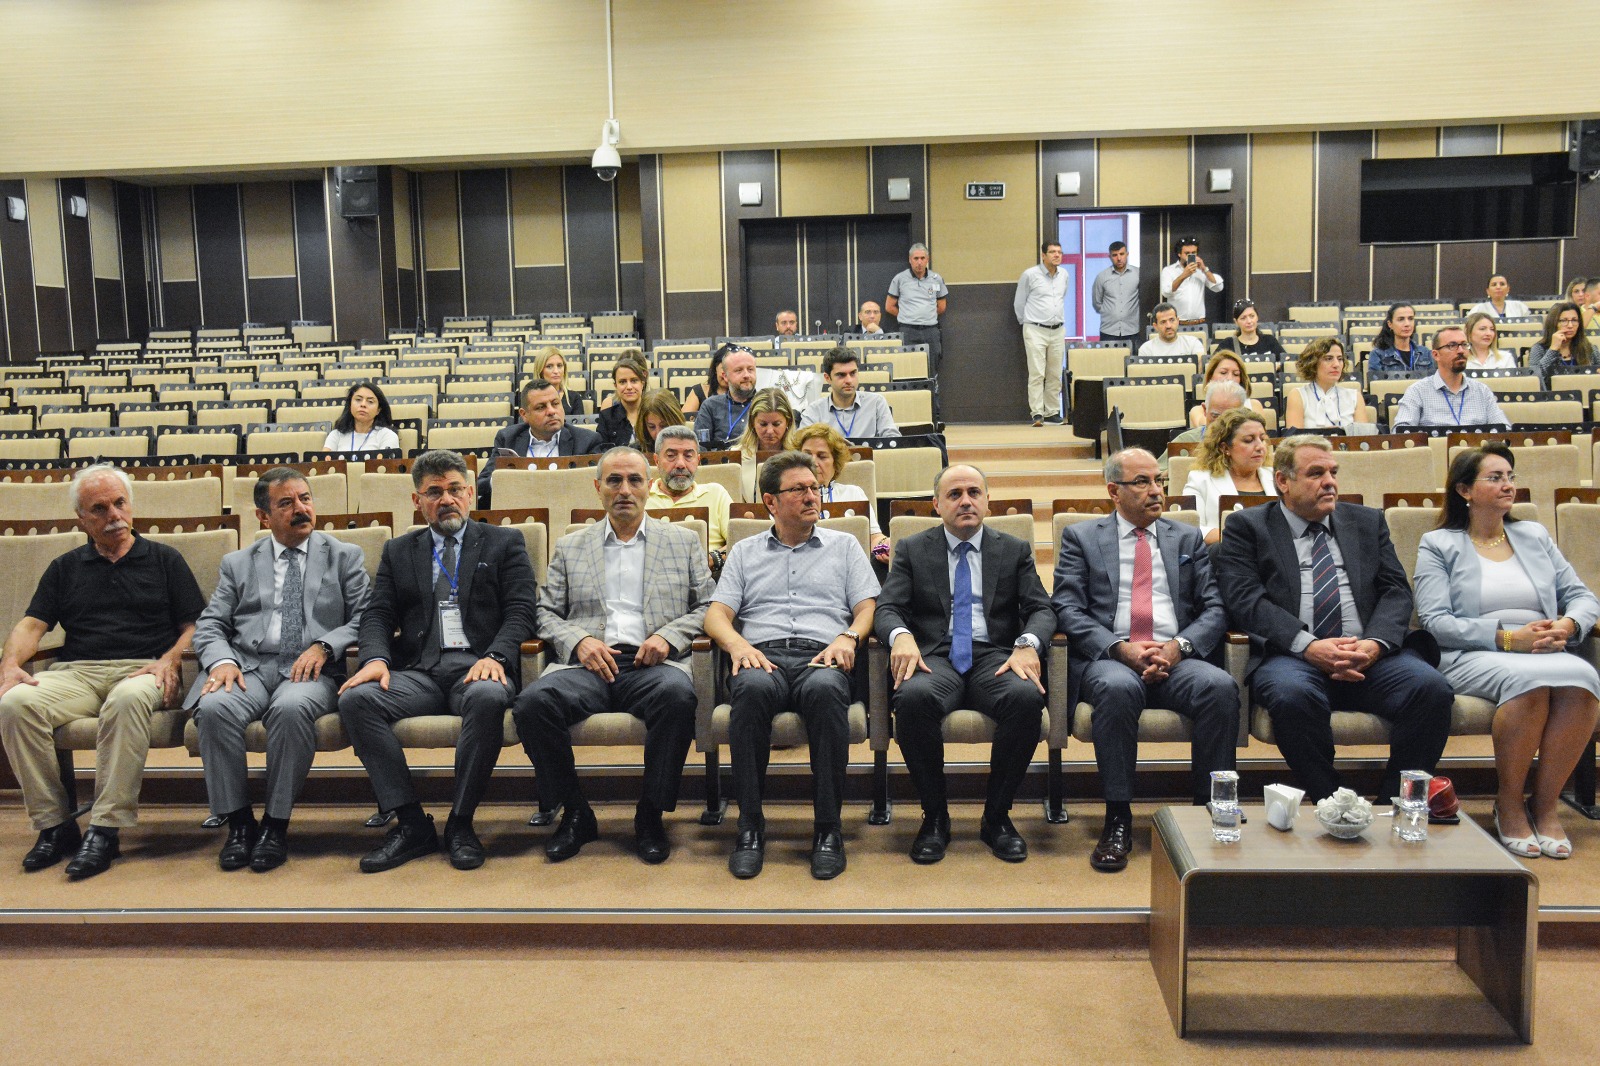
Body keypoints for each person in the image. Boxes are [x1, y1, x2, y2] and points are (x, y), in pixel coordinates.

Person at [1218, 434, 1453, 803]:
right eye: (1316, 473)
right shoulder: (1248, 526)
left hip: (1370, 654)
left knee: (1431, 690)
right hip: (1294, 656)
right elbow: (1245, 600)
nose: (1329, 482)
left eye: (1333, 472)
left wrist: (1374, 644)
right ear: (1283, 481)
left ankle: (1394, 803)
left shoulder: (1366, 521)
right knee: (1291, 696)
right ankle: (1333, 802)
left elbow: (1396, 590)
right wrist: (1309, 646)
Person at [0, 464, 205, 880]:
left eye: (119, 503)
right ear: (81, 518)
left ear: (131, 506)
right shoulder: (65, 567)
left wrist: (169, 659)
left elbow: (195, 626)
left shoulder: (164, 559)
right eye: (99, 508)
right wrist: (9, 667)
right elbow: (32, 626)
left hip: (143, 669)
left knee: (126, 699)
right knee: (15, 702)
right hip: (77, 672)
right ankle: (54, 825)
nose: (113, 515)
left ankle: (105, 829)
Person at [338, 450, 537, 873]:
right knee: (357, 699)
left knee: (488, 697)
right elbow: (378, 614)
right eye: (434, 492)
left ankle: (461, 822)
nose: (446, 499)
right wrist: (374, 658)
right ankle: (412, 823)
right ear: (417, 501)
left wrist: (497, 656)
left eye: (454, 489)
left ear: (470, 493)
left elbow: (522, 610)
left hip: (479, 666)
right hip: (420, 672)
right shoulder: (399, 550)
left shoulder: (504, 542)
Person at [514, 448, 713, 865]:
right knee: (532, 703)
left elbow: (709, 607)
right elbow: (544, 612)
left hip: (653, 664)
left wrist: (668, 636)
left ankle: (650, 814)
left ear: (649, 486)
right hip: (587, 665)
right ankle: (575, 812)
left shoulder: (683, 541)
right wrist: (579, 641)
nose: (625, 490)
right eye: (614, 481)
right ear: (598, 488)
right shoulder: (571, 546)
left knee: (678, 698)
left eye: (634, 480)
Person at [1053, 448, 1239, 872]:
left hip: (1177, 654)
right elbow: (1067, 607)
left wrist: (1179, 647)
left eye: (1159, 481)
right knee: (1117, 689)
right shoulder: (1082, 537)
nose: (1156, 490)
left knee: (1219, 687)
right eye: (1142, 482)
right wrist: (1121, 649)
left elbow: (1215, 608)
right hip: (1112, 655)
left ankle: (1207, 811)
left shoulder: (1186, 538)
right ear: (1113, 491)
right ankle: (1118, 816)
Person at [1413, 443, 1600, 859]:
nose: (1508, 485)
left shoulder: (1533, 535)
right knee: (1528, 681)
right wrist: (1511, 639)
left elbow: (1582, 597)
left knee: (1584, 678)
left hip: (1542, 648)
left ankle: (1545, 805)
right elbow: (1435, 621)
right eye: (1495, 478)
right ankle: (1510, 804)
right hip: (1471, 652)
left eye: (1511, 477)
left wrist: (1567, 625)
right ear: (1464, 490)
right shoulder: (1438, 543)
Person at [703, 451, 879, 880]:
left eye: (814, 487)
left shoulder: (844, 546)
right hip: (762, 654)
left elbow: (867, 607)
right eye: (798, 489)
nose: (811, 496)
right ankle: (750, 828)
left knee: (825, 691)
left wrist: (848, 637)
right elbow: (715, 615)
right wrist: (737, 645)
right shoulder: (744, 552)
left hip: (823, 652)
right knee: (751, 691)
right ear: (771, 501)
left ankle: (828, 830)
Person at [185, 468, 368, 872]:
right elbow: (210, 623)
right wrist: (222, 661)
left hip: (310, 669)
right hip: (248, 665)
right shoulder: (238, 563)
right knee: (213, 708)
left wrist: (325, 645)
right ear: (263, 516)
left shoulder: (344, 555)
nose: (300, 508)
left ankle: (274, 824)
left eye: (305, 498)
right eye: (286, 503)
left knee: (290, 710)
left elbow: (367, 617)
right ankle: (239, 824)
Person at [876, 464, 1052, 864]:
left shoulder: (1013, 549)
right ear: (937, 505)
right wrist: (901, 636)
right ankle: (935, 817)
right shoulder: (913, 548)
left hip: (996, 655)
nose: (966, 501)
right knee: (913, 698)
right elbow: (888, 607)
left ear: (987, 501)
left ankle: (997, 817)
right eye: (954, 494)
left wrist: (1027, 644)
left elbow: (1041, 608)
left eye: (974, 492)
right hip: (934, 655)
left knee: (1025, 698)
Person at [477, 379, 606, 506]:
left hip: (567, 511)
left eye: (555, 403)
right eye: (541, 407)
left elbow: (598, 488)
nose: (551, 411)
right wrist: (503, 477)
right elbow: (481, 484)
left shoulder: (587, 441)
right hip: (520, 511)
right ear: (524, 415)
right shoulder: (508, 439)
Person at [792, 422, 891, 564]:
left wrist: (884, 546)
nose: (813, 462)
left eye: (822, 456)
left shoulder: (854, 493)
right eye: (807, 455)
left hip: (847, 565)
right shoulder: (786, 495)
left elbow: (873, 538)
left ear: (835, 463)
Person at [1183, 408, 1276, 544]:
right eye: (1248, 440)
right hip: (1224, 551)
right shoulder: (1200, 480)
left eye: (1262, 439)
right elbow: (1191, 529)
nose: (1260, 447)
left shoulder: (1278, 478)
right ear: (1225, 448)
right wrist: (1242, 538)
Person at [1394, 326, 1511, 429]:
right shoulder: (1417, 391)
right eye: (1452, 346)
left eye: (1464, 345)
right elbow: (1402, 433)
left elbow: (1504, 430)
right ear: (1436, 355)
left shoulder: (1482, 391)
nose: (1461, 351)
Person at [647, 425, 733, 556]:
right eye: (671, 456)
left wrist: (713, 559)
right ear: (656, 460)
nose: (681, 464)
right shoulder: (642, 497)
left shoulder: (716, 494)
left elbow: (740, 541)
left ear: (698, 460)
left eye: (688, 456)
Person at [1014, 240, 1069, 427]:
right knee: (1037, 373)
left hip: (1058, 330)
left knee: (1054, 373)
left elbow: (1061, 297)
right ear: (1043, 255)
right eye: (1052, 252)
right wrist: (1027, 323)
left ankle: (1052, 412)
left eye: (1059, 252)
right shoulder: (1030, 275)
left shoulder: (1064, 275)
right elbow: (1019, 303)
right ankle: (1037, 413)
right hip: (1035, 329)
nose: (1057, 255)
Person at [799, 346, 900, 438]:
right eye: (841, 375)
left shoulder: (876, 403)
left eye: (853, 373)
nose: (849, 380)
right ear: (827, 378)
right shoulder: (814, 411)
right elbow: (802, 445)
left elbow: (892, 440)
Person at [1284, 337, 1371, 431]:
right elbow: (1294, 439)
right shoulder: (1298, 395)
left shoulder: (1355, 397)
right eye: (1329, 359)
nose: (1336, 364)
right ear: (1312, 363)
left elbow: (1363, 438)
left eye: (1340, 359)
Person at [885, 243, 948, 373]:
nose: (919, 262)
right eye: (916, 258)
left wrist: (926, 316)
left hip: (931, 330)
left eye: (922, 258)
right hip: (908, 330)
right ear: (910, 260)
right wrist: (907, 315)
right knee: (907, 367)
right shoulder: (900, 279)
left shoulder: (936, 279)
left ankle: (932, 386)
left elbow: (941, 307)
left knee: (932, 365)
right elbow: (889, 306)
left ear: (927, 259)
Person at [1160, 380, 1245, 475]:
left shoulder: (1250, 443)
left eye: (1229, 418)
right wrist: (1178, 468)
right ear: (1205, 410)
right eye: (1215, 416)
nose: (1221, 424)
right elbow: (1156, 476)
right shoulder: (1186, 441)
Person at [692, 344, 758, 450]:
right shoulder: (710, 405)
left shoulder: (766, 403)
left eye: (750, 369)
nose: (746, 375)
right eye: (739, 370)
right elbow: (700, 448)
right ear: (725, 376)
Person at [737, 388, 795, 500]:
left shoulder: (801, 455)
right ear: (752, 423)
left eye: (776, 424)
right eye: (763, 424)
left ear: (788, 422)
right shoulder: (736, 455)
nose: (769, 431)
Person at [1187, 350, 1265, 428]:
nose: (1230, 378)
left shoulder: (1254, 405)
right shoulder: (1198, 410)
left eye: (1236, 374)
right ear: (1211, 376)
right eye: (1223, 373)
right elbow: (1210, 429)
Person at [1157, 237, 1223, 325]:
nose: (1190, 256)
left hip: (1199, 323)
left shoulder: (1201, 271)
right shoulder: (1169, 271)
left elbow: (1218, 287)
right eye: (1187, 253)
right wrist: (1183, 275)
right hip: (1177, 324)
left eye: (1194, 253)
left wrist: (1204, 269)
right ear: (1179, 254)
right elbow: (1166, 292)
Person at [1529, 301, 1595, 388]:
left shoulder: (1588, 348)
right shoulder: (1539, 349)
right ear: (1553, 323)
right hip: (1552, 395)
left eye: (1574, 320)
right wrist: (1553, 349)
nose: (1570, 325)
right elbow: (1535, 380)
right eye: (1564, 321)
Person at [324, 381, 401, 453]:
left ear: (378, 410)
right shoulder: (336, 434)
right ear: (350, 405)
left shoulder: (387, 435)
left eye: (370, 401)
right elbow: (325, 461)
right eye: (358, 399)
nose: (363, 404)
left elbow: (383, 462)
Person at [1091, 240, 1141, 348]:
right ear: (1109, 257)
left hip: (1132, 330)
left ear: (1127, 254)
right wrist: (1111, 313)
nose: (1119, 258)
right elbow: (1097, 303)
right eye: (1114, 255)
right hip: (1108, 331)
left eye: (1122, 254)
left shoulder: (1138, 274)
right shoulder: (1102, 277)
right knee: (1108, 359)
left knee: (1132, 358)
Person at [596, 350, 649, 448]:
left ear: (642, 383)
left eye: (634, 380)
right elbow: (602, 450)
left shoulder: (653, 413)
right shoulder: (606, 417)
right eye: (622, 382)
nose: (629, 387)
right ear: (615, 385)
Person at [1367, 303, 1434, 374]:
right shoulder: (1378, 354)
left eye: (1410, 319)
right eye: (1401, 319)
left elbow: (1432, 379)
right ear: (1390, 324)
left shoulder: (1425, 352)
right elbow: (1376, 380)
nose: (1407, 324)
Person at [1215, 299, 1286, 361]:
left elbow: (1286, 361)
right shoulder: (1228, 344)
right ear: (1236, 322)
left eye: (1252, 316)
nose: (1249, 321)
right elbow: (1212, 364)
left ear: (1257, 317)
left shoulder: (1270, 341)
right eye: (1243, 318)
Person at [530, 345, 585, 417]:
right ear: (540, 371)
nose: (556, 371)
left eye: (559, 366)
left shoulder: (575, 398)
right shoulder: (531, 398)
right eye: (549, 366)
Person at [1137, 303, 1205, 359]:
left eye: (1172, 320)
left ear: (1177, 321)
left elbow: (1201, 367)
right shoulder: (1146, 349)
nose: (1168, 326)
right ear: (1155, 326)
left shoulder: (1192, 343)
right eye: (1163, 322)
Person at [681, 343, 729, 416]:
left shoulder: (745, 394)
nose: (727, 375)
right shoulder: (699, 391)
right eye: (724, 368)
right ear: (715, 368)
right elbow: (684, 420)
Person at [634, 388, 685, 455]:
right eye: (651, 427)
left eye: (664, 426)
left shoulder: (692, 449)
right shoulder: (634, 453)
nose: (658, 433)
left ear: (676, 421)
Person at [1466, 274, 1533, 321]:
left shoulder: (1520, 307)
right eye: (1494, 285)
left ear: (1508, 289)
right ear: (1488, 291)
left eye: (1502, 284)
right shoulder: (1478, 309)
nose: (1498, 287)